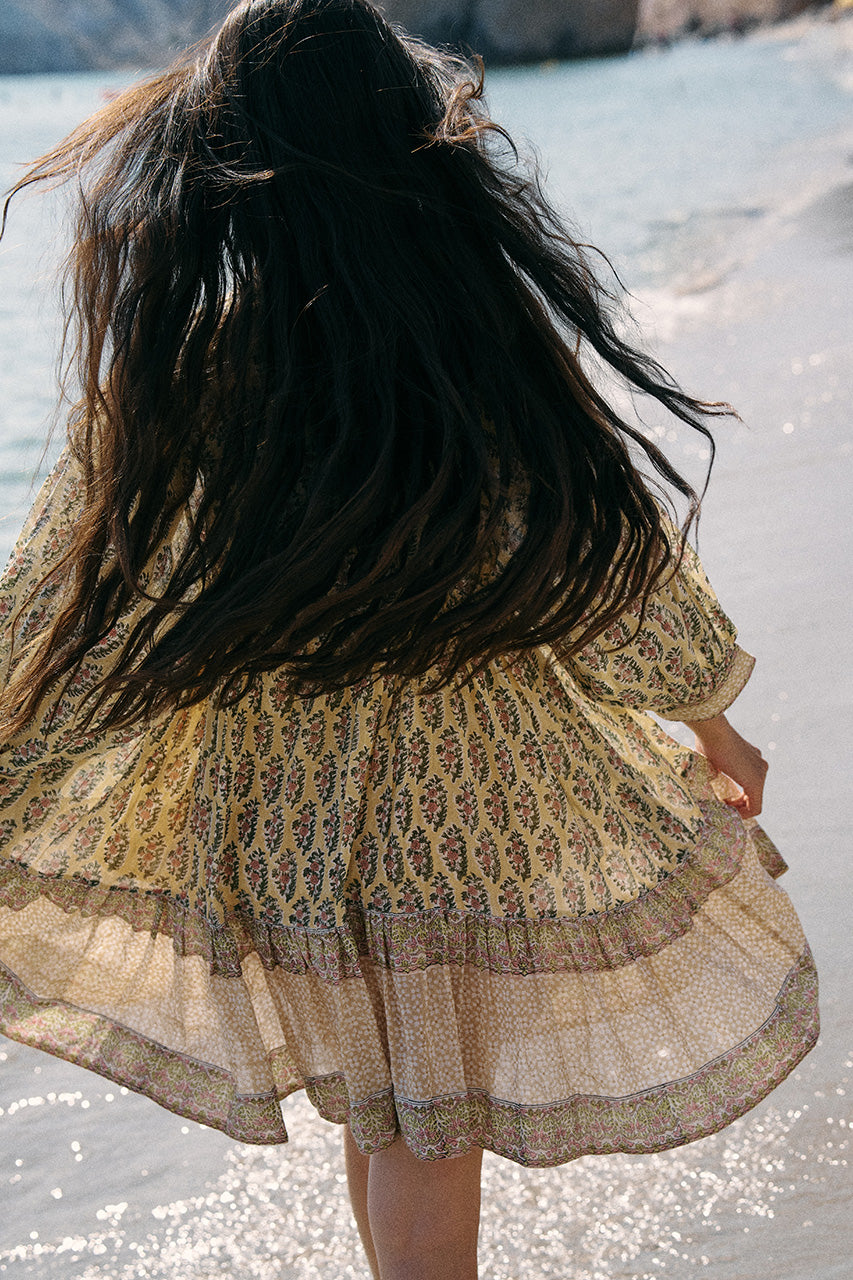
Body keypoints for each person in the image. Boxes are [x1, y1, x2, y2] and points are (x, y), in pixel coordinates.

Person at [0, 2, 818, 1277]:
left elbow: (65, 614)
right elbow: (603, 565)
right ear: (411, 138)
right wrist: (709, 715)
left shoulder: (189, 375)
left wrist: (12, 777)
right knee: (425, 1122)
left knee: (388, 1103)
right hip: (462, 810)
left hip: (275, 820)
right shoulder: (484, 349)